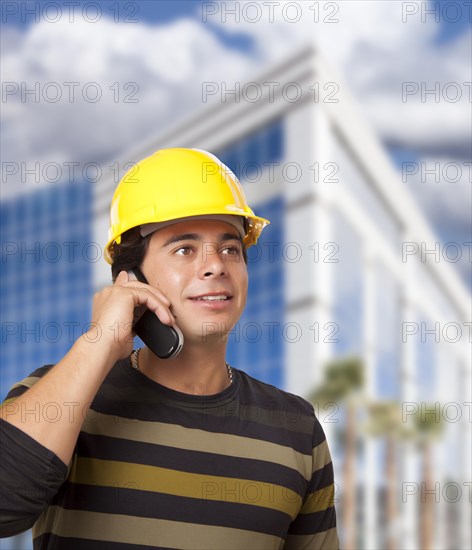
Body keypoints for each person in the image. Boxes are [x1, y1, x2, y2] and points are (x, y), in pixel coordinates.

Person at [0, 148, 339, 549]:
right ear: (130, 279)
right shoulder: (63, 394)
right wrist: (100, 340)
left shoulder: (297, 428)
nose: (216, 265)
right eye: (184, 249)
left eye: (230, 249)